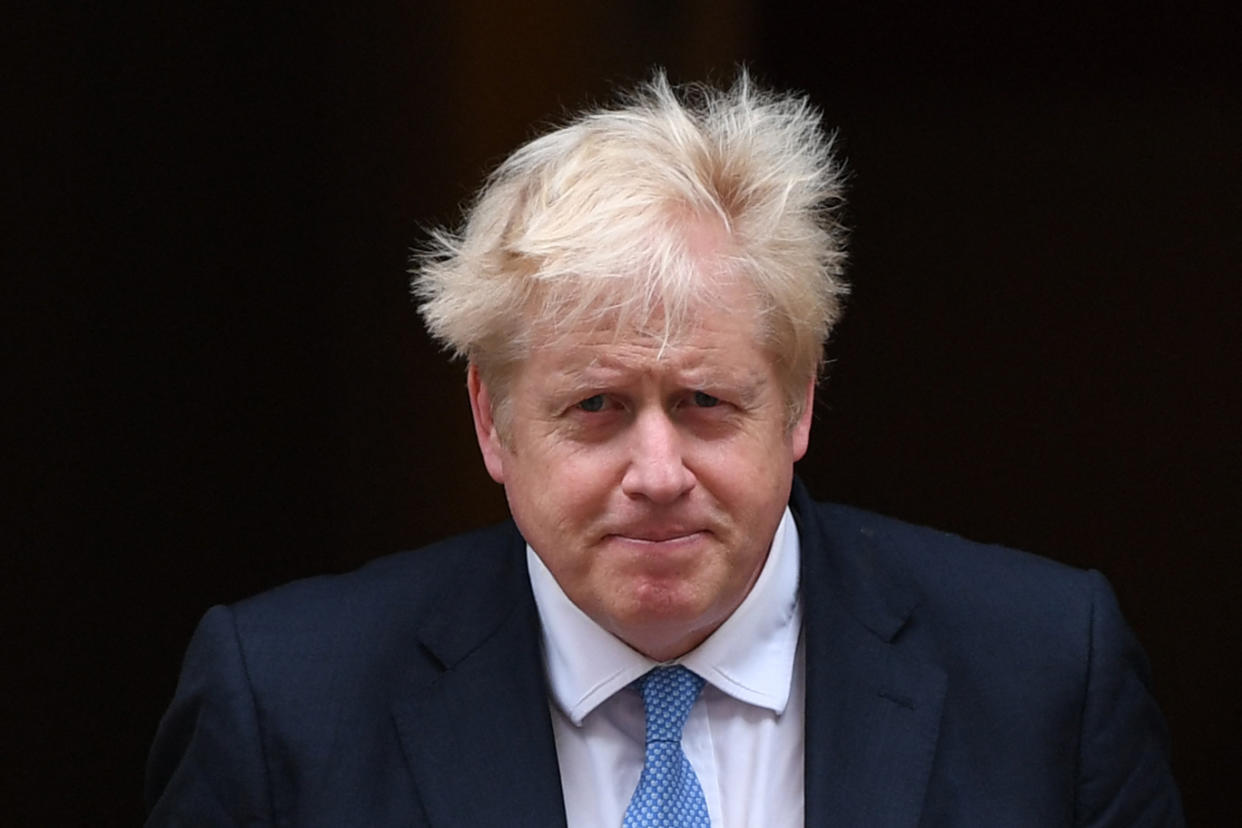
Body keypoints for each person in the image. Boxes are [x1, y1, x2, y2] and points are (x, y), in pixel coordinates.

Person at [145, 71, 1183, 827]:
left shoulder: (1047, 675)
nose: (656, 472)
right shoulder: (284, 703)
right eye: (595, 405)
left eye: (704, 401)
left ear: (800, 403)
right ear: (490, 420)